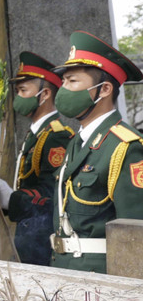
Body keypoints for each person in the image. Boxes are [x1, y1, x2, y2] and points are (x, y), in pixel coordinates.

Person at [50, 32, 143, 275]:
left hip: (100, 278)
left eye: (72, 82)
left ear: (104, 90)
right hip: (64, 270)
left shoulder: (126, 146)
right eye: (63, 82)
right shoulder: (77, 142)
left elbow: (135, 233)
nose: (63, 89)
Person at [0, 52, 73, 266]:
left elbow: (51, 192)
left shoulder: (56, 135)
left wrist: (13, 199)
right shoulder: (37, 133)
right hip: (30, 234)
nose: (18, 96)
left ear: (45, 94)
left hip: (44, 238)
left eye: (23, 90)